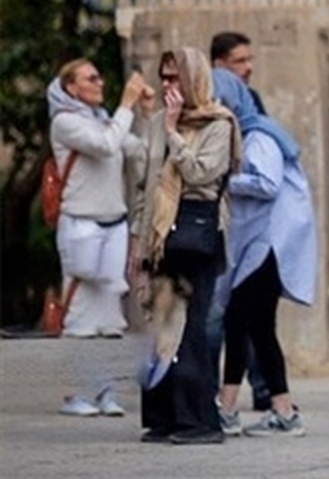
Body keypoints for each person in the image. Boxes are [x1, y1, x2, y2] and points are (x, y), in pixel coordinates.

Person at [131, 47, 240, 445]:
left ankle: (200, 421)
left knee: (192, 330)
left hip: (198, 237)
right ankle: (164, 417)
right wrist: (138, 245)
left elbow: (200, 172)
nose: (167, 86)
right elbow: (147, 184)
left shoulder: (219, 122)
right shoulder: (158, 121)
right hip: (162, 238)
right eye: (163, 77)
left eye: (175, 78)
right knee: (161, 329)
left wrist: (175, 133)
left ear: (194, 79)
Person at [211, 68, 318, 437]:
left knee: (238, 321)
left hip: (271, 244)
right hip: (264, 245)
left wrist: (223, 181)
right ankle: (283, 411)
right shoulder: (247, 135)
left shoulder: (258, 137)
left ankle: (226, 408)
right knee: (258, 327)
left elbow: (267, 184)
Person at [47, 58, 148, 417]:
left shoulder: (104, 118)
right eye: (91, 78)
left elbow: (137, 149)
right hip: (81, 224)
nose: (100, 82)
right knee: (79, 312)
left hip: (113, 223)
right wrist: (126, 105)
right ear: (72, 88)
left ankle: (104, 392)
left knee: (109, 315)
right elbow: (106, 145)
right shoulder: (65, 122)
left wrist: (147, 115)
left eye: (99, 75)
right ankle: (75, 393)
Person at [208, 30, 271, 413]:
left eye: (250, 61)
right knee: (217, 312)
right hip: (214, 223)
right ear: (218, 65)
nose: (247, 69)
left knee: (252, 311)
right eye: (238, 62)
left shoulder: (251, 105)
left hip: (249, 224)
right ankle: (208, 392)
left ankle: (264, 389)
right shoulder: (206, 108)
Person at [211, 31, 265, 114]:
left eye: (249, 60)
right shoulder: (205, 99)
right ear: (219, 65)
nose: (249, 67)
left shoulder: (251, 96)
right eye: (240, 61)